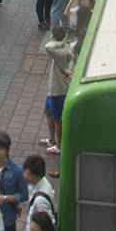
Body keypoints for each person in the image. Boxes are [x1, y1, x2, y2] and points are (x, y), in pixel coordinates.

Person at [40, 24, 75, 154]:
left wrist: (61, 42)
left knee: (57, 118)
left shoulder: (60, 51)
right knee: (47, 112)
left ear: (54, 37)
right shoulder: (65, 48)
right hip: (54, 88)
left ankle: (58, 145)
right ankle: (51, 139)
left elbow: (47, 46)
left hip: (58, 89)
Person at [20, 155, 57, 228]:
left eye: (29, 175)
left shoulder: (41, 201)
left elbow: (50, 224)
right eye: (25, 172)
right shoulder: (41, 181)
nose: (25, 176)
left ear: (38, 175)